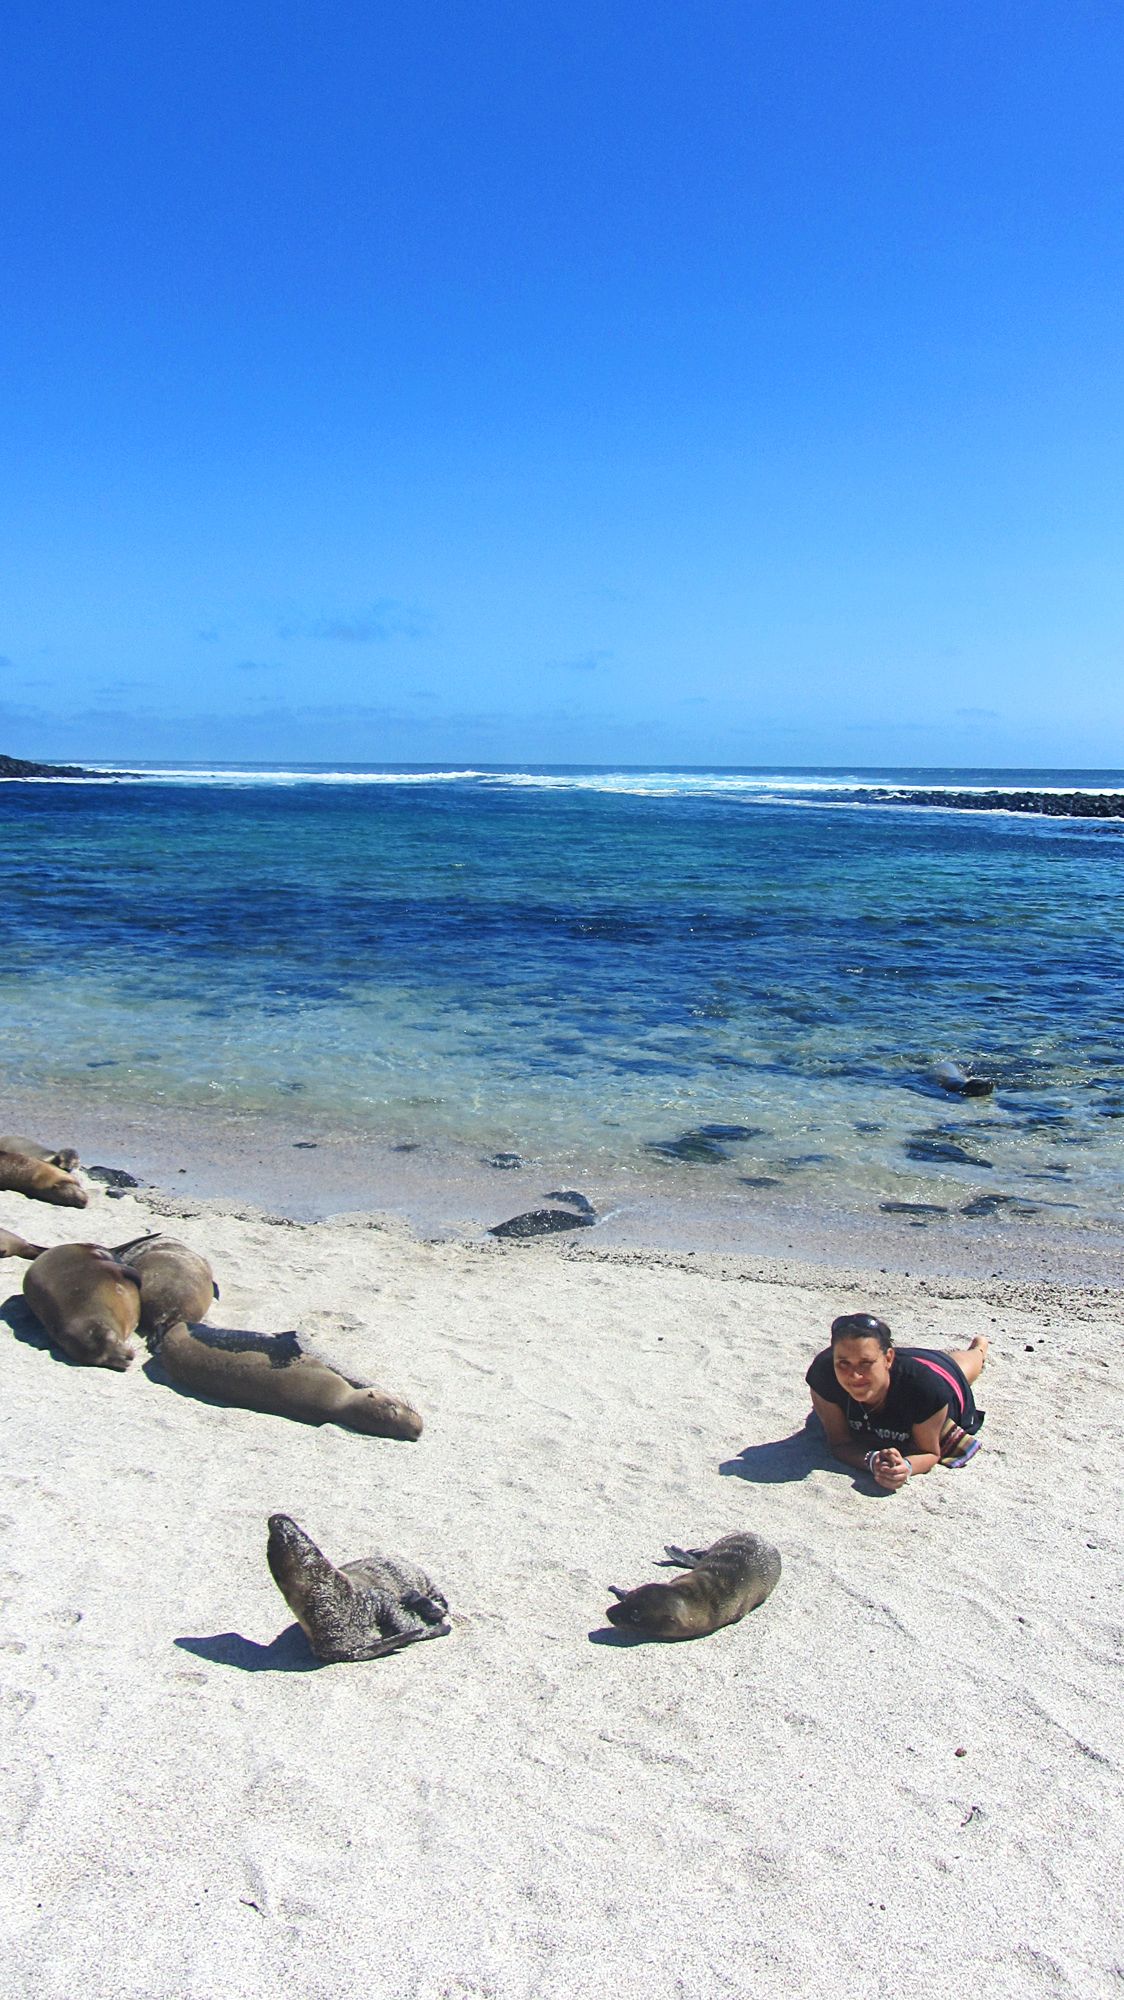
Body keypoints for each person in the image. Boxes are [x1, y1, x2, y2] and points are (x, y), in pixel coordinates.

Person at [806, 1311, 987, 1491]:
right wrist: (871, 1460)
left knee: (961, 1369)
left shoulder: (925, 1388)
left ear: (888, 1358)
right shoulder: (824, 1375)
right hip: (897, 1363)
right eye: (843, 1363)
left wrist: (906, 1467)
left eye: (865, 1363)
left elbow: (930, 1452)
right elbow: (839, 1443)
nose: (855, 1375)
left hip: (939, 1373)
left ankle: (980, 1348)